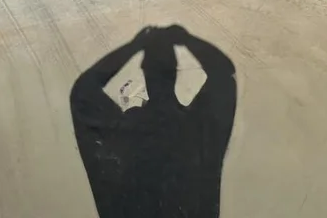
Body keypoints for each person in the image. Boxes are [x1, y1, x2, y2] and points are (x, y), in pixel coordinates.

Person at [70, 25, 237, 218]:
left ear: (144, 71)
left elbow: (83, 92)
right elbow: (223, 74)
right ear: (175, 71)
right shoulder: (195, 128)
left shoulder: (124, 132)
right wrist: (186, 40)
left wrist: (133, 47)